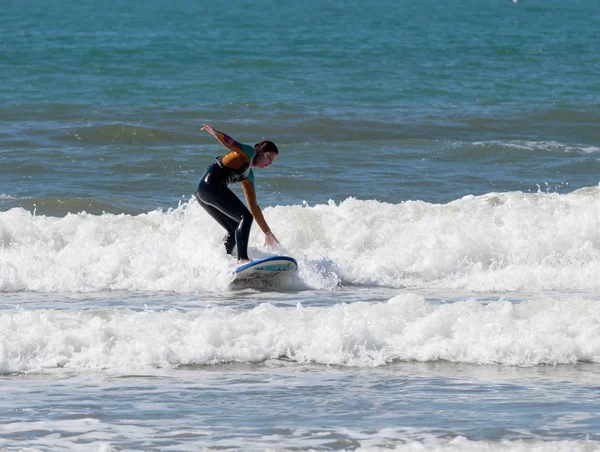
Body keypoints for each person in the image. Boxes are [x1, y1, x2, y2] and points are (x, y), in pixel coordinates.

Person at [195, 124, 280, 265]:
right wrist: (216, 133)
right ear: (260, 151)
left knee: (235, 227)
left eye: (273, 161)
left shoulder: (248, 176)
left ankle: (222, 261)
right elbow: (232, 143)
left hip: (203, 193)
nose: (269, 163)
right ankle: (242, 259)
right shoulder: (249, 153)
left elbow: (254, 207)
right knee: (244, 217)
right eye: (269, 158)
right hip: (210, 187)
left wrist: (267, 233)